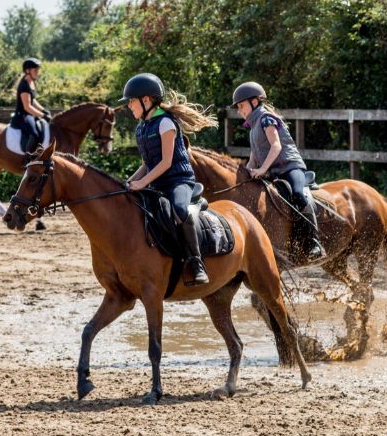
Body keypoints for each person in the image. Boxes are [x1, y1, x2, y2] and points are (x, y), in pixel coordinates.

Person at [122, 73, 217, 286]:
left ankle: (196, 261)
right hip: (156, 182)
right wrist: (129, 182)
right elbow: (147, 164)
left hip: (178, 180)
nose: (129, 106)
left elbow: (165, 163)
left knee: (180, 210)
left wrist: (142, 183)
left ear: (146, 100)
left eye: (131, 101)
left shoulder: (166, 123)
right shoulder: (142, 128)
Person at [232, 81, 325, 260]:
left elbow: (276, 146)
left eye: (241, 106)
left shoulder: (267, 118)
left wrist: (263, 169)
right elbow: (254, 155)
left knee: (298, 194)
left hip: (290, 167)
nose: (239, 111)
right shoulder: (252, 127)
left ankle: (314, 242)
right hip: (273, 172)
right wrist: (247, 171)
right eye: (238, 108)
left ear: (254, 102)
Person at [11, 57, 51, 153]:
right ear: (27, 70)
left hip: (29, 114)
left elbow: (33, 100)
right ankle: (28, 159)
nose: (37, 72)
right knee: (34, 134)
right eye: (35, 70)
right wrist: (42, 116)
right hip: (22, 116)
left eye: (38, 70)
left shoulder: (31, 82)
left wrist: (43, 110)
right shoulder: (24, 85)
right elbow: (27, 107)